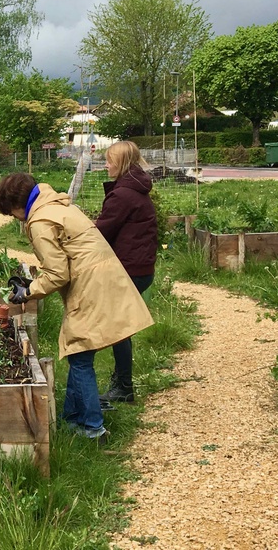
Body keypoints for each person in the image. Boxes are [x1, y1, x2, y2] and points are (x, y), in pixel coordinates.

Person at [0, 172, 153, 440]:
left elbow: (57, 274)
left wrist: (28, 292)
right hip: (103, 278)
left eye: (11, 213)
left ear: (16, 205)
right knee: (79, 351)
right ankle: (71, 419)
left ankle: (92, 428)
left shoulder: (40, 221)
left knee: (79, 355)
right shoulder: (58, 205)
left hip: (90, 285)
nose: (15, 218)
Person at [96, 141, 158, 405]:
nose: (106, 165)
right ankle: (122, 383)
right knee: (120, 325)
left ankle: (124, 387)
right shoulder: (135, 189)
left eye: (109, 161)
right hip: (140, 267)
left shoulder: (123, 195)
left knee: (119, 327)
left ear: (120, 164)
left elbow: (101, 233)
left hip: (129, 268)